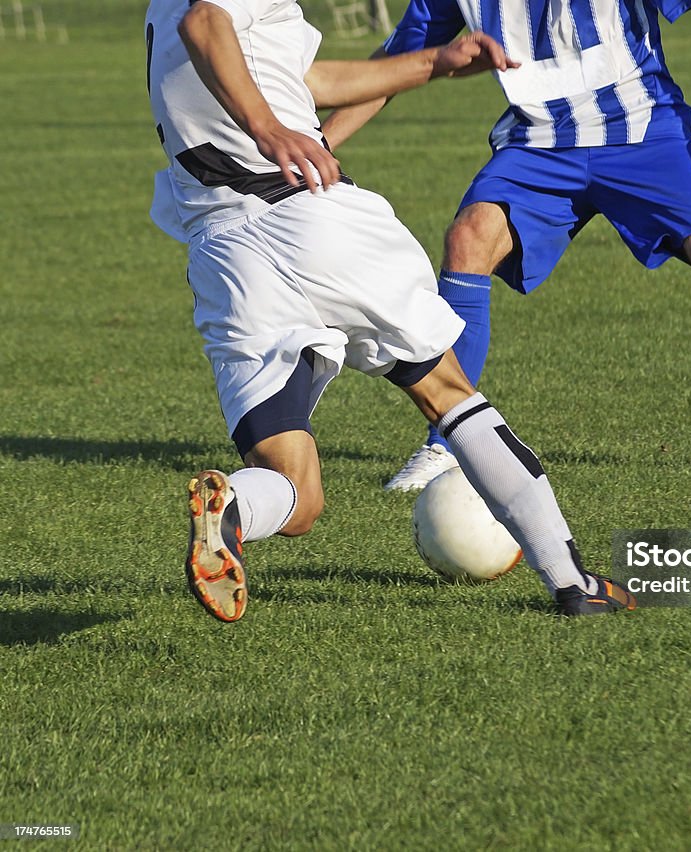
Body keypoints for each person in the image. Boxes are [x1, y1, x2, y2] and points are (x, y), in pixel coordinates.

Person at [145, 0, 636, 620]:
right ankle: (573, 583)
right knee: (447, 392)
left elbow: (298, 79)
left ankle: (235, 508)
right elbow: (206, 23)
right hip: (308, 216)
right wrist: (270, 131)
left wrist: (432, 62)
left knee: (296, 494)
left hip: (225, 256)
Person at [321, 0, 691, 491]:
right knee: (469, 238)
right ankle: (447, 446)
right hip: (541, 145)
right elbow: (395, 68)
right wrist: (319, 145)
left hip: (646, 135)